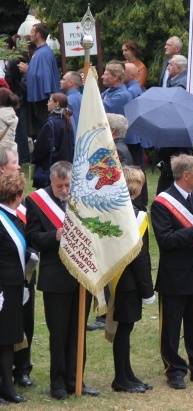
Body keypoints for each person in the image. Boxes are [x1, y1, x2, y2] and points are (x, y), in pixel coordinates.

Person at [25, 161, 99, 400]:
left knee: (78, 330)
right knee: (58, 332)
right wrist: (54, 236)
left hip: (82, 275)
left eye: (67, 185)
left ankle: (76, 378)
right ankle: (57, 382)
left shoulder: (83, 198)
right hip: (55, 276)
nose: (64, 190)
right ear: (52, 182)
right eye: (59, 186)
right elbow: (33, 238)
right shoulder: (37, 202)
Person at [151, 154, 193, 388]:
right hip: (175, 276)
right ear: (186, 175)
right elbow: (165, 240)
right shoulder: (162, 203)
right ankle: (174, 369)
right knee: (171, 327)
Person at [110, 166, 154, 393]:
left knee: (124, 330)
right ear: (137, 188)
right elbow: (140, 256)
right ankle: (121, 378)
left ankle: (127, 374)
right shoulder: (136, 215)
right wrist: (148, 290)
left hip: (117, 280)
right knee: (124, 330)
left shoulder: (116, 210)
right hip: (128, 283)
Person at [0, 172, 29, 404]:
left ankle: (6, 386)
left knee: (8, 338)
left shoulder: (14, 217)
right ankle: (5, 388)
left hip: (13, 286)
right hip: (3, 288)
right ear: (18, 195)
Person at [18, 23, 60, 138]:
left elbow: (44, 76)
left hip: (43, 98)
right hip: (41, 98)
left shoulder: (44, 53)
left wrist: (28, 70)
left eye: (32, 32)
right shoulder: (40, 51)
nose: (30, 35)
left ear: (38, 34)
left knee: (45, 125)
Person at [31, 92, 75, 189]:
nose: (47, 103)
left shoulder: (51, 123)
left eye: (49, 101)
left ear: (57, 104)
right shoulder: (67, 121)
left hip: (50, 168)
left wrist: (34, 159)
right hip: (65, 167)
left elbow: (41, 147)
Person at [59, 71, 82, 136]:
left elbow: (71, 126)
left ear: (70, 83)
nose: (60, 81)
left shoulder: (66, 101)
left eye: (63, 79)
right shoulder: (83, 97)